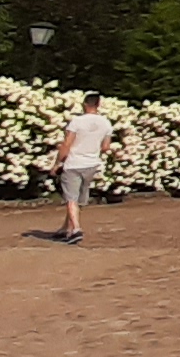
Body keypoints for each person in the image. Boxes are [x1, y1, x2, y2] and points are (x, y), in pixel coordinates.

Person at [51, 95, 116, 245]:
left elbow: (67, 144)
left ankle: (76, 229)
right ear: (98, 104)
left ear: (85, 104)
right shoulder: (106, 123)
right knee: (79, 198)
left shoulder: (77, 121)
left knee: (71, 198)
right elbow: (106, 147)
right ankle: (65, 228)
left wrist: (56, 163)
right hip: (91, 163)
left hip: (74, 163)